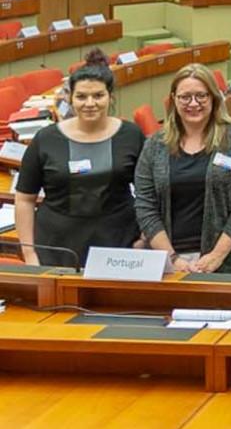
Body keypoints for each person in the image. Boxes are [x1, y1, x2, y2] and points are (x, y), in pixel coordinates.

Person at [14, 49, 145, 267]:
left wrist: (144, 238)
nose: (90, 103)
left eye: (98, 95)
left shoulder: (131, 135)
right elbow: (25, 199)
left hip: (119, 243)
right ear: (69, 98)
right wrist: (29, 254)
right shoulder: (46, 139)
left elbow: (148, 193)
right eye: (82, 96)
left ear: (110, 96)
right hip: (56, 246)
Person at [135, 64, 231, 274]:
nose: (193, 103)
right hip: (170, 263)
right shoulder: (155, 145)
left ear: (213, 98)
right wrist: (173, 259)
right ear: (173, 99)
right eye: (185, 97)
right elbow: (145, 206)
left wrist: (216, 256)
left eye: (201, 96)